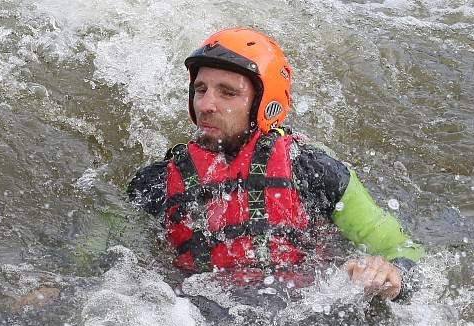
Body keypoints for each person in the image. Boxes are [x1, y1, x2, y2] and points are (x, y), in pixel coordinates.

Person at [127, 28, 425, 301]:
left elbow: (404, 249)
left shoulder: (313, 170)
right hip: (195, 322)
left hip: (304, 316)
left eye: (228, 92)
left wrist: (390, 271)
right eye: (201, 89)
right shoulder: (155, 184)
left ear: (264, 102)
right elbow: (110, 257)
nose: (205, 105)